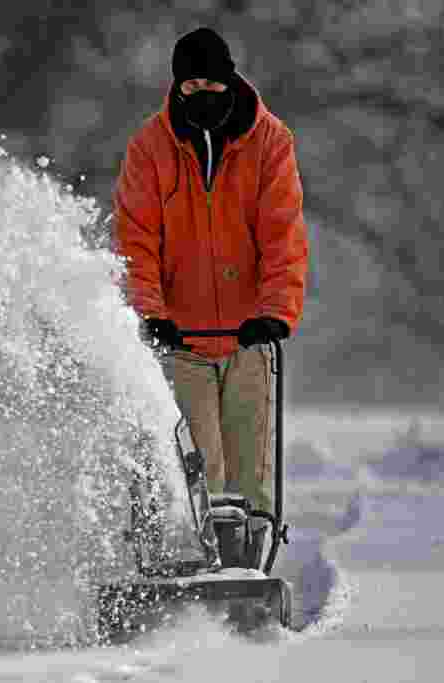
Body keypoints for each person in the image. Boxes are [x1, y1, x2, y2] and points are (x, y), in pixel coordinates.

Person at [113, 27, 309, 525]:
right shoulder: (150, 149)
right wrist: (151, 314)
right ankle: (200, 572)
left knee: (249, 474)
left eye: (212, 87)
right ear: (177, 88)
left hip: (249, 337)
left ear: (231, 81)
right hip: (181, 340)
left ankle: (246, 565)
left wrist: (275, 313)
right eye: (190, 88)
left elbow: (282, 236)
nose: (202, 97)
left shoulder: (270, 143)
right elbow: (136, 243)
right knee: (197, 471)